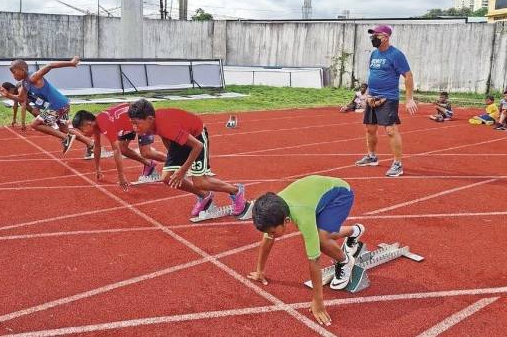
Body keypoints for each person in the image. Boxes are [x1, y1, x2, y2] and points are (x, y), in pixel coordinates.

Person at [247, 175, 364, 326]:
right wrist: (260, 271)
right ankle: (354, 231)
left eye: (273, 232)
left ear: (286, 221)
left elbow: (314, 260)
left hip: (340, 195)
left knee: (321, 239)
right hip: (317, 198)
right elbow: (267, 239)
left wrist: (318, 301)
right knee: (322, 234)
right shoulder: (273, 209)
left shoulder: (302, 216)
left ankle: (345, 261)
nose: (271, 235)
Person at [127, 99, 248, 217]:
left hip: (197, 137)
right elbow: (164, 136)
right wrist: (176, 160)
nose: (134, 128)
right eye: (132, 123)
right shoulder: (151, 124)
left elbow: (197, 146)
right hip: (178, 138)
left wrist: (183, 170)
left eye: (136, 123)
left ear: (150, 119)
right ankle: (204, 196)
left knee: (200, 182)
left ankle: (236, 191)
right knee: (167, 178)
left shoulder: (166, 125)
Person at [355, 25, 418, 177]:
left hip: (388, 97)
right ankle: (372, 156)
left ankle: (398, 164)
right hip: (372, 97)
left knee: (390, 130)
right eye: (372, 36)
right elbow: (373, 75)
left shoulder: (396, 54)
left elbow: (408, 76)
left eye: (376, 35)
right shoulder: (374, 54)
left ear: (386, 37)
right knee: (370, 129)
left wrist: (409, 99)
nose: (373, 38)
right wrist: (368, 95)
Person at [9, 57, 94, 156]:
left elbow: (49, 66)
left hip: (58, 105)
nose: (13, 75)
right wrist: (6, 94)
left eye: (14, 72)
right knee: (65, 130)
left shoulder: (33, 77)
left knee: (35, 124)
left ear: (22, 70)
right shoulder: (25, 83)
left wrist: (71, 63)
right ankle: (90, 144)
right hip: (61, 105)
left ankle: (66, 138)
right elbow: (20, 98)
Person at [72, 105, 166, 190]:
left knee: (146, 152)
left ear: (89, 124)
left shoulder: (105, 124)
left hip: (142, 118)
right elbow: (97, 146)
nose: (82, 133)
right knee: (123, 148)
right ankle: (149, 164)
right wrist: (97, 168)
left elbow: (116, 151)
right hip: (127, 123)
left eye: (81, 130)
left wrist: (121, 176)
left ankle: (175, 161)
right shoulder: (96, 124)